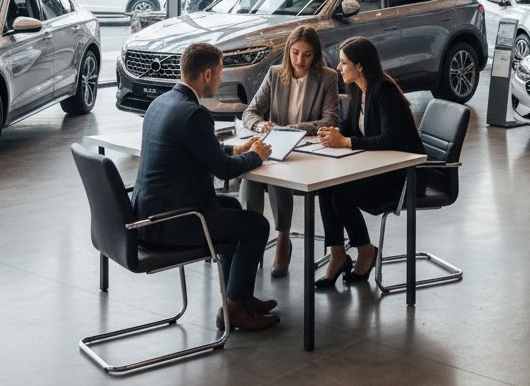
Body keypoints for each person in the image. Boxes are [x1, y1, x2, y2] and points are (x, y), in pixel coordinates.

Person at [130, 41, 280, 332]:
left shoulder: (162, 103)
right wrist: (256, 155)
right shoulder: (194, 113)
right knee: (257, 226)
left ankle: (237, 297)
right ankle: (234, 308)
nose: (222, 78)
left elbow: (197, 150)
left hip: (150, 213)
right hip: (174, 222)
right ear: (207, 74)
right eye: (221, 72)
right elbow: (223, 171)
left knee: (234, 207)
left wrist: (236, 151)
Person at [313, 36, 425, 290]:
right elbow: (352, 127)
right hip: (380, 169)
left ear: (360, 66)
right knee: (326, 188)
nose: (339, 68)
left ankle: (365, 251)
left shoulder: (383, 90)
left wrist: (345, 143)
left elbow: (391, 138)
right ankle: (338, 254)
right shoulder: (358, 89)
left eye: (343, 63)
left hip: (403, 177)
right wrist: (332, 133)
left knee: (341, 195)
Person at [240, 25, 340, 277]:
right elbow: (250, 112)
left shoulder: (327, 77)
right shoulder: (275, 74)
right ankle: (250, 234)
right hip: (277, 146)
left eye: (307, 54)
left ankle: (282, 237)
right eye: (295, 53)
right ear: (288, 52)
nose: (300, 60)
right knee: (250, 170)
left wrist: (296, 128)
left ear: (315, 55)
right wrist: (261, 124)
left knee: (277, 174)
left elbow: (331, 119)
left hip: (309, 153)